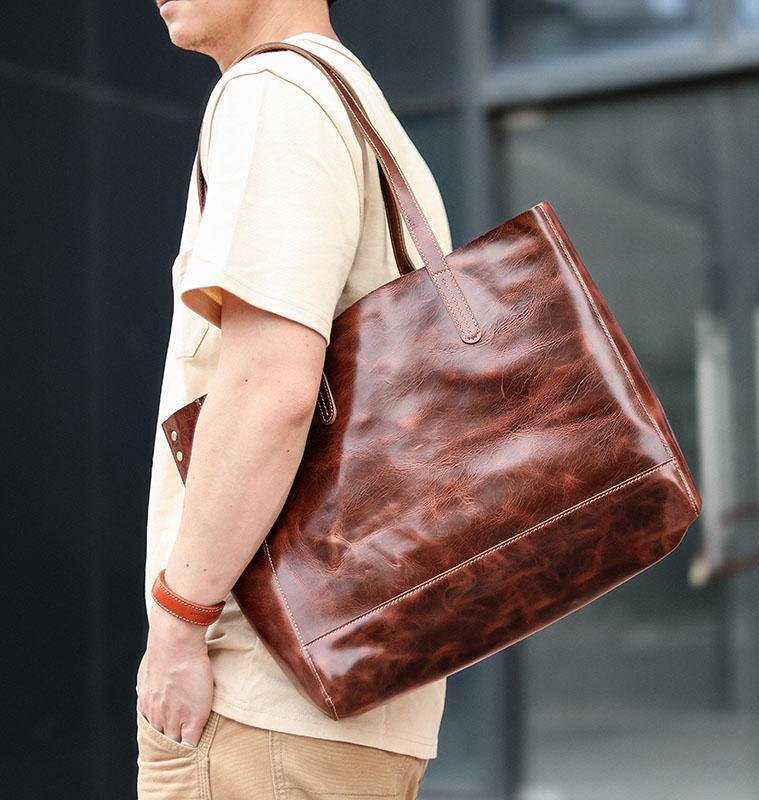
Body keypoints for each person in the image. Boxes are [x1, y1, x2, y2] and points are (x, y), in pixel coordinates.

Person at [136, 0, 452, 797]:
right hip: (359, 699)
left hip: (263, 699)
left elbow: (271, 388)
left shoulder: (274, 91)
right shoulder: (355, 104)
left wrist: (178, 625)